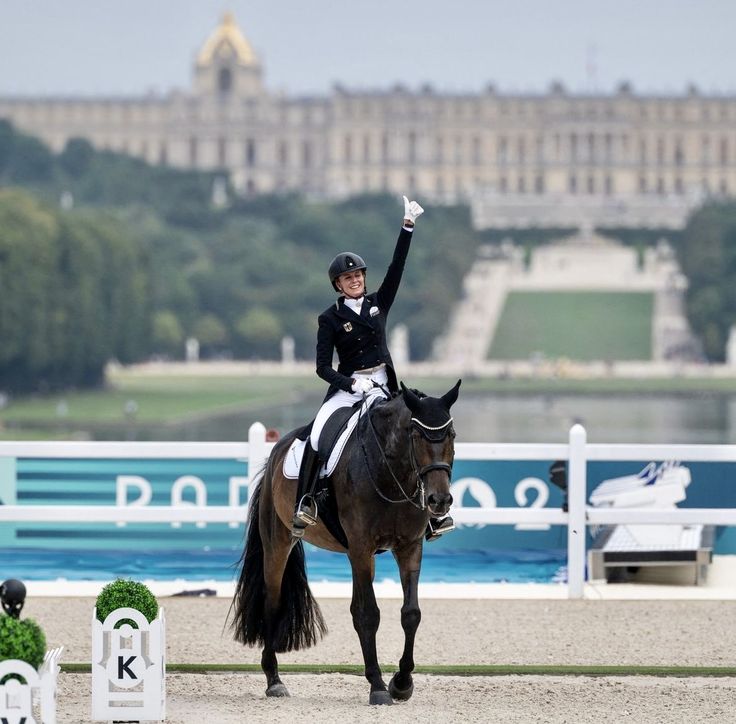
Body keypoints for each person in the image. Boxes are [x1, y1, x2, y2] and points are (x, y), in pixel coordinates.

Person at [292, 195, 455, 542]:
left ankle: (433, 515)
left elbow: (397, 267)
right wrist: (350, 384)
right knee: (319, 433)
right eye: (347, 277)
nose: (355, 281)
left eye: (358, 275)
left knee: (423, 432)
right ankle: (306, 501)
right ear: (337, 284)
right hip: (349, 388)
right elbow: (322, 367)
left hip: (385, 385)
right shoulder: (330, 318)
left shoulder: (379, 303)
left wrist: (407, 227)